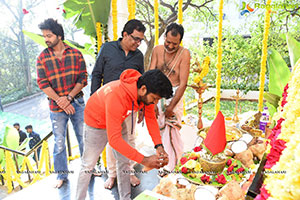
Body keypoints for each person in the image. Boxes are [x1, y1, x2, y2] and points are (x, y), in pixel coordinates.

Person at [76, 69, 172, 200]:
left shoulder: (147, 93)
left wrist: (159, 146)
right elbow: (114, 140)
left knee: (124, 162)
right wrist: (144, 160)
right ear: (143, 89)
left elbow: (150, 118)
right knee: (88, 165)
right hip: (96, 123)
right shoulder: (116, 95)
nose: (155, 103)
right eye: (155, 99)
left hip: (117, 119)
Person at [91, 19, 145, 189]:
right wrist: (94, 102)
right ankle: (112, 174)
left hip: (130, 106)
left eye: (140, 40)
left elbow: (142, 83)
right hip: (108, 106)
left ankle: (128, 174)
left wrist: (142, 107)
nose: (138, 43)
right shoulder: (107, 49)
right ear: (125, 35)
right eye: (135, 39)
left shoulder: (139, 55)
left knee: (129, 139)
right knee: (112, 140)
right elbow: (96, 75)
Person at [36, 18, 88, 188]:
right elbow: (43, 83)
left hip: (77, 102)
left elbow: (83, 78)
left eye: (49, 35)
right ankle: (61, 175)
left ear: (59, 35)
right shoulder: (42, 58)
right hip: (55, 106)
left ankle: (89, 168)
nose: (46, 39)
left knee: (83, 137)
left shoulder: (75, 54)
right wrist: (61, 101)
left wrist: (69, 98)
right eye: (44, 36)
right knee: (58, 141)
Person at [149, 23, 190, 175]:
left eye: (175, 43)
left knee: (172, 132)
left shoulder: (184, 53)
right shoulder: (157, 50)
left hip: (174, 94)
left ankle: (172, 166)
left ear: (180, 42)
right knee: (158, 131)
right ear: (164, 36)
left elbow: (183, 83)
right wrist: (152, 102)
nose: (170, 46)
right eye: (168, 42)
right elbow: (150, 75)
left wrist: (171, 106)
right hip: (156, 94)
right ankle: (163, 162)